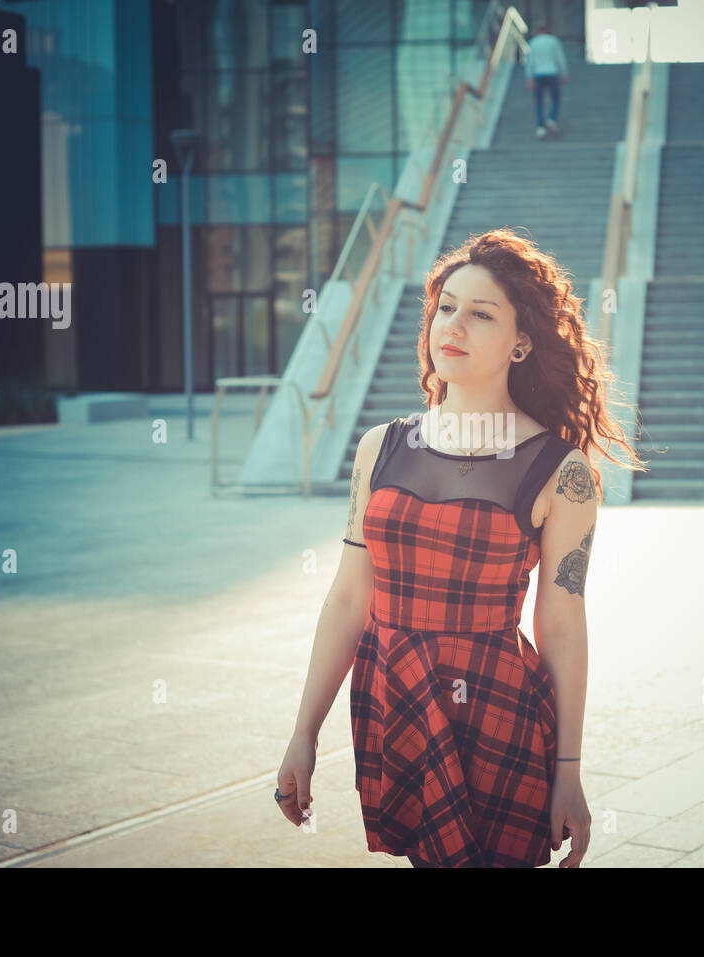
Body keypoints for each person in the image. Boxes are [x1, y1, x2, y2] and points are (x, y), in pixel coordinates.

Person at [274, 229, 646, 867]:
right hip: (394, 700)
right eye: (446, 307)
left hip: (498, 712)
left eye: (481, 314)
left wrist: (568, 770)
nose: (454, 325)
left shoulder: (565, 471)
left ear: (522, 341)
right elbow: (348, 599)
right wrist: (302, 734)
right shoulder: (380, 448)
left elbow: (560, 623)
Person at [524, 21, 569, 139]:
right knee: (555, 98)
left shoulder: (533, 43)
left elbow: (529, 62)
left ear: (537, 31)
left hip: (537, 74)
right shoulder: (553, 41)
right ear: (548, 30)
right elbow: (560, 58)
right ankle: (552, 119)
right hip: (552, 72)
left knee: (539, 101)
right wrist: (563, 73)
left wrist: (529, 78)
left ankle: (540, 127)